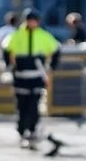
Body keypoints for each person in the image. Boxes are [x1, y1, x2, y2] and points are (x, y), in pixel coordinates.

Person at [7, 8, 61, 148]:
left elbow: (56, 49)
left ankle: (31, 130)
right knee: (22, 106)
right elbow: (6, 49)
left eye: (34, 20)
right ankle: (22, 130)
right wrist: (9, 67)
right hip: (20, 77)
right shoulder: (17, 35)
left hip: (36, 76)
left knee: (33, 105)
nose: (32, 23)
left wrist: (51, 68)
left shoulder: (43, 35)